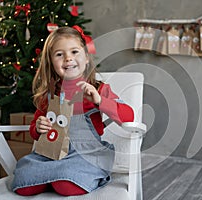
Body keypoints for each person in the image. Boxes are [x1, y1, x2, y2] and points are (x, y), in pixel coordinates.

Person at [11, 26, 134, 196]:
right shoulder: (50, 95)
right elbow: (34, 131)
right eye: (59, 54)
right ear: (51, 62)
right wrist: (39, 127)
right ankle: (52, 177)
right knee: (23, 184)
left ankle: (60, 178)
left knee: (66, 186)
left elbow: (129, 116)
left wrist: (100, 101)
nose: (68, 58)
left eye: (74, 52)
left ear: (86, 57)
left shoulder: (99, 89)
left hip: (86, 155)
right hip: (50, 154)